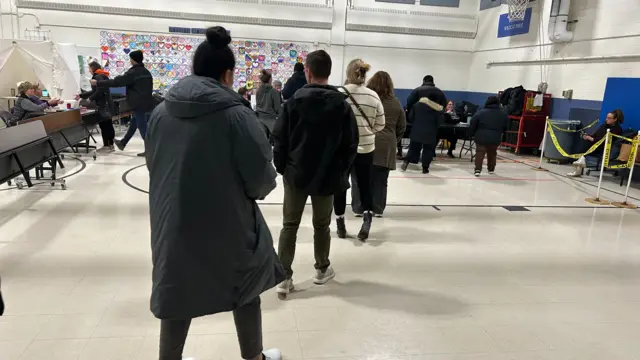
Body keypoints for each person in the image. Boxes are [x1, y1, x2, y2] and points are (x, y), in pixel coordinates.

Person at [145, 26, 284, 360]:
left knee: (177, 288)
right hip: (228, 222)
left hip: (173, 218)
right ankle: (253, 356)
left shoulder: (161, 112)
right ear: (227, 74)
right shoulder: (237, 115)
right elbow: (261, 181)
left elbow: (154, 164)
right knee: (246, 286)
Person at [272, 49, 358, 297]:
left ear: (307, 71)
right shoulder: (341, 106)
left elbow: (279, 139)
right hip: (327, 176)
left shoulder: (292, 104)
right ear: (329, 73)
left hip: (296, 174)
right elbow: (351, 144)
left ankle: (284, 277)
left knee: (290, 225)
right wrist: (341, 171)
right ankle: (322, 269)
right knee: (322, 225)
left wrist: (283, 168)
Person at [334, 59, 385, 241]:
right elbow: (381, 124)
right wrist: (366, 130)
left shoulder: (339, 94)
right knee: (365, 185)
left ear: (348, 73)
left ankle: (340, 224)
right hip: (366, 148)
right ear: (364, 75)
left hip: (342, 149)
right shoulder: (373, 96)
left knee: (340, 186)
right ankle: (366, 221)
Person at [351, 71, 405, 217]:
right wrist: (393, 139)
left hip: (364, 140)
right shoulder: (396, 102)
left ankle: (358, 207)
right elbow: (402, 126)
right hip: (386, 145)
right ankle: (377, 208)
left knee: (358, 177)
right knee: (381, 179)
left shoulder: (366, 98)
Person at [92, 49, 154, 157]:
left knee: (142, 127)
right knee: (134, 123)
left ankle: (151, 151)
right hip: (146, 102)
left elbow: (117, 82)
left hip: (138, 103)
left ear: (133, 60)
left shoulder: (133, 73)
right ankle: (122, 143)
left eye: (130, 58)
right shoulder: (146, 72)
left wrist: (99, 83)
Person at [401, 75, 447, 174]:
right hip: (431, 130)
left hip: (417, 127)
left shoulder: (417, 99)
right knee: (428, 149)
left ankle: (406, 162)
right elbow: (442, 112)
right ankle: (425, 168)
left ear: (424, 80)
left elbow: (410, 111)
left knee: (413, 147)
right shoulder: (439, 98)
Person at [567, 109, 624, 177]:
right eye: (606, 117)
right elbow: (595, 135)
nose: (606, 119)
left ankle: (579, 166)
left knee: (586, 145)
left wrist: (592, 139)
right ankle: (581, 160)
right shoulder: (603, 126)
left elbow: (605, 140)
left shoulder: (617, 129)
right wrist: (588, 136)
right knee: (584, 142)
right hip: (595, 145)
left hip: (604, 148)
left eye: (609, 118)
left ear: (615, 119)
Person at [76, 62, 116, 152]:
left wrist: (90, 99)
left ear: (93, 68)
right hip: (107, 104)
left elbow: (99, 91)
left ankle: (106, 145)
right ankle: (111, 145)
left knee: (104, 125)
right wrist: (81, 95)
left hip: (103, 105)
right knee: (109, 125)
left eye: (89, 68)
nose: (89, 70)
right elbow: (94, 90)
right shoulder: (102, 75)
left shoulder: (97, 76)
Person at [469, 96, 509, 177]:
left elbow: (473, 122)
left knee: (480, 152)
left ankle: (477, 170)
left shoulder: (480, 112)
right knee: (492, 153)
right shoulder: (503, 114)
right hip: (495, 137)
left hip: (481, 136)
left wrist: (472, 133)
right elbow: (506, 126)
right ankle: (491, 169)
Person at [256, 69, 282, 142]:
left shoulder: (258, 91)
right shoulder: (273, 92)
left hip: (260, 118)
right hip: (271, 119)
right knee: (278, 140)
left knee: (262, 141)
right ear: (270, 79)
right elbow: (277, 108)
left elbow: (258, 104)